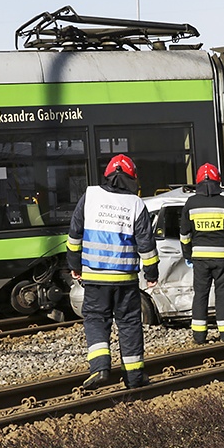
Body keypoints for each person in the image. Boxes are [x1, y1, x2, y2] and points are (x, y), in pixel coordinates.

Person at [67, 154, 159, 390]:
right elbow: (147, 245)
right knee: (129, 323)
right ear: (132, 178)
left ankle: (100, 368)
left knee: (96, 319)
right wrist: (151, 274)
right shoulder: (136, 204)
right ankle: (135, 377)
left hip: (95, 277)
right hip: (125, 279)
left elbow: (75, 235)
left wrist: (75, 265)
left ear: (108, 175)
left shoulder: (90, 196)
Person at [181, 163, 224, 344]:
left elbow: (184, 235)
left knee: (200, 294)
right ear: (218, 180)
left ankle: (199, 336)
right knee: (223, 294)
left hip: (200, 259)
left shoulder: (190, 204)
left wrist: (187, 255)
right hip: (222, 258)